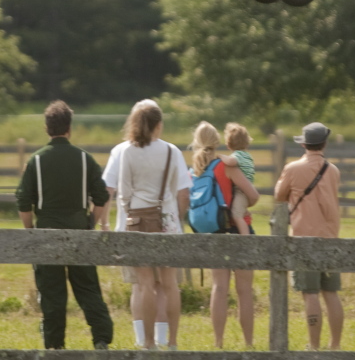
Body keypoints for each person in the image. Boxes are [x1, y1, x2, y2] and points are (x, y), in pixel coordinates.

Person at [16, 100, 113, 350]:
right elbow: (102, 197)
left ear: (47, 128)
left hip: (45, 232)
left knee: (52, 294)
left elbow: (23, 201)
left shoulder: (35, 161)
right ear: (69, 128)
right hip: (79, 230)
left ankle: (54, 346)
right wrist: (90, 222)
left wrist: (30, 231)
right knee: (88, 288)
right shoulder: (85, 159)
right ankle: (101, 338)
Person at [102, 132, 192, 349]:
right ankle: (169, 341)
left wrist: (107, 220)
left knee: (141, 286)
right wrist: (175, 219)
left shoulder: (122, 150)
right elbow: (184, 193)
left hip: (134, 223)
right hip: (167, 221)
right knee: (168, 284)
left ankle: (144, 339)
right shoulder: (172, 150)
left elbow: (111, 189)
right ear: (158, 124)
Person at [189, 121, 259, 348]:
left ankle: (218, 343)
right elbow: (254, 195)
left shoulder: (196, 170)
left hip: (214, 232)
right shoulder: (226, 165)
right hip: (239, 231)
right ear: (217, 142)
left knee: (219, 288)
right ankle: (249, 345)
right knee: (244, 291)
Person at [273, 122, 343, 351]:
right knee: (331, 292)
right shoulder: (333, 171)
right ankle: (335, 346)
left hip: (304, 237)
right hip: (331, 238)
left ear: (303, 144)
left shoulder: (292, 169)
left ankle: (314, 346)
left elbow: (279, 196)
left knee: (310, 293)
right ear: (324, 143)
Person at [217, 122, 256, 237]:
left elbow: (230, 162)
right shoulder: (247, 155)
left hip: (241, 191)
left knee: (236, 215)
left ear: (229, 144)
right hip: (247, 190)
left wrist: (220, 156)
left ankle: (245, 237)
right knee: (240, 211)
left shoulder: (237, 155)